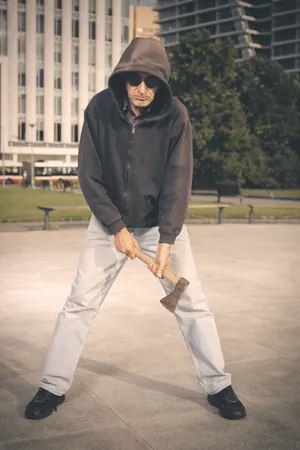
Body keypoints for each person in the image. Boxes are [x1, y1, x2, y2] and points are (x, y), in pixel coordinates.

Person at [25, 38, 246, 421]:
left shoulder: (176, 116)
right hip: (108, 224)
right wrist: (115, 226)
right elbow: (89, 175)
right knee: (79, 304)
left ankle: (219, 385)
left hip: (160, 226)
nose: (142, 88)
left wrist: (166, 239)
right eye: (135, 79)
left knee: (193, 305)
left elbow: (178, 180)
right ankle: (51, 386)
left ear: (161, 84)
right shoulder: (100, 108)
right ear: (123, 78)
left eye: (151, 81)